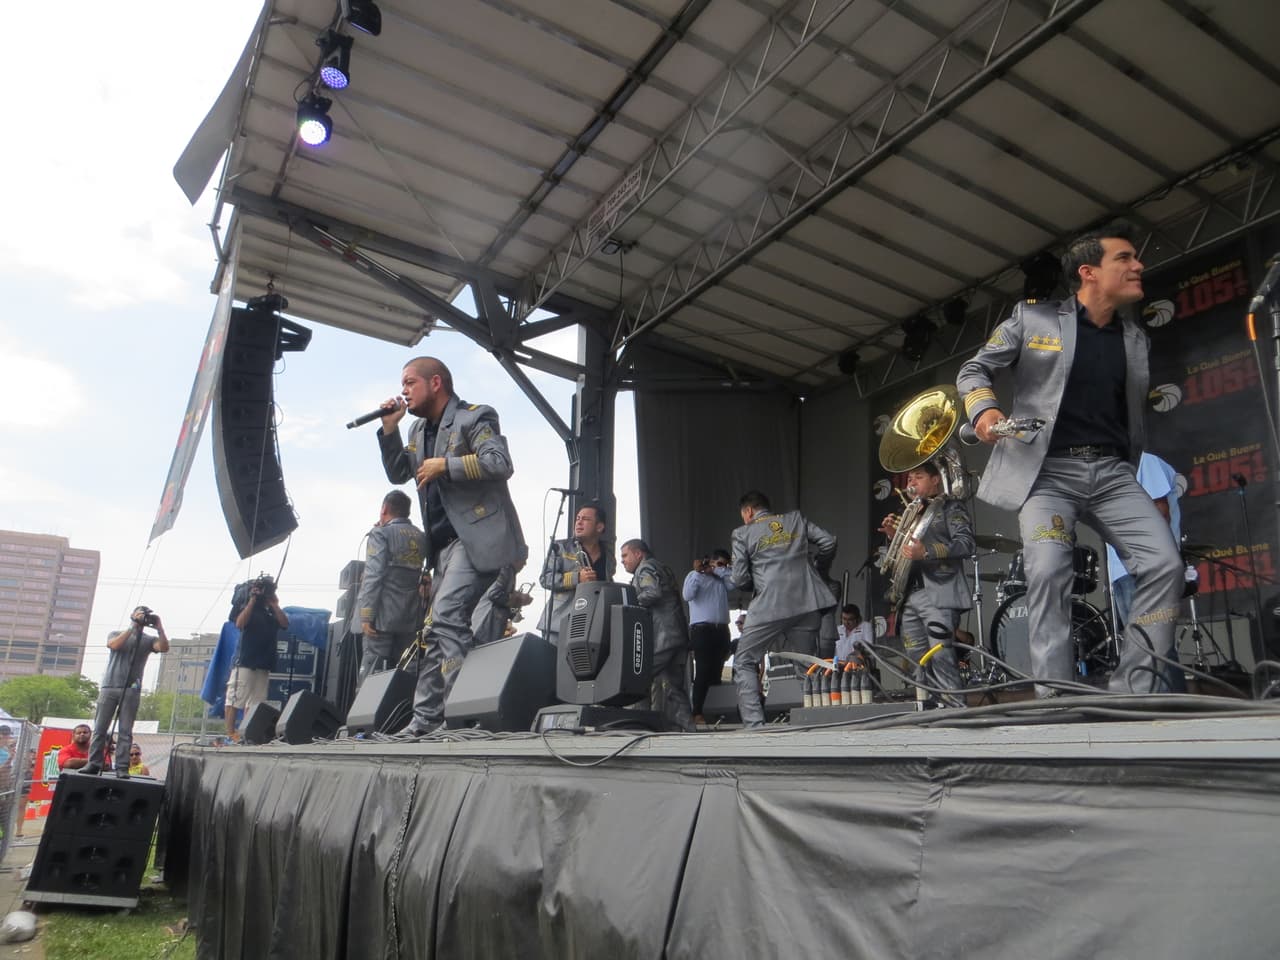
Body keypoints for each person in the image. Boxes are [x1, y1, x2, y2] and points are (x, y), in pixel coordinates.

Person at [956, 220, 1183, 695]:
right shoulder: (1033, 320)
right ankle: (1054, 700)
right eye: (1124, 258)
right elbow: (975, 369)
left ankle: (1134, 691)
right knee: (1048, 571)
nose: (1138, 265)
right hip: (1047, 476)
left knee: (1164, 563)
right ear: (1088, 272)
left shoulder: (1135, 339)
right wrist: (984, 408)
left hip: (1113, 474)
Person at [376, 356, 526, 736]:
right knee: (433, 633)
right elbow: (399, 472)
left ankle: (459, 716)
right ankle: (425, 720)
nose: (404, 390)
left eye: (410, 382)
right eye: (403, 383)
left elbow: (499, 462)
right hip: (442, 547)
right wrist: (389, 430)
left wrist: (447, 465)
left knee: (445, 618)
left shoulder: (474, 417)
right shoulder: (415, 431)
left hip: (476, 539)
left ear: (436, 382)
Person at [729, 490, 838, 728]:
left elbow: (738, 578)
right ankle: (815, 722)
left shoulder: (743, 533)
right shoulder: (796, 520)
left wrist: (753, 584)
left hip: (768, 605)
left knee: (745, 661)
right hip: (806, 603)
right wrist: (818, 570)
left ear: (748, 512)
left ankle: (755, 726)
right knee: (807, 665)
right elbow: (828, 541)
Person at [878, 463, 974, 705]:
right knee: (915, 658)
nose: (911, 482)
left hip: (938, 594)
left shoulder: (951, 507)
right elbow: (904, 555)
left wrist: (928, 552)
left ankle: (956, 710)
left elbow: (966, 543)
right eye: (909, 477)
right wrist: (893, 536)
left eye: (918, 477)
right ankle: (929, 708)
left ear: (935, 481)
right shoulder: (910, 512)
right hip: (909, 595)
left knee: (941, 655)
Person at [1106, 452, 1185, 691]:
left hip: (1147, 568)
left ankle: (1169, 707)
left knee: (1153, 642)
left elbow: (1159, 511)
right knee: (1141, 644)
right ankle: (1170, 707)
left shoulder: (1144, 461)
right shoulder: (1110, 469)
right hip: (1122, 571)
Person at [84, 607, 169, 776]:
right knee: (100, 728)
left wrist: (159, 627)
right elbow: (114, 645)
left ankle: (122, 767)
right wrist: (132, 626)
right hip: (109, 686)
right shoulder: (116, 634)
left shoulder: (148, 640)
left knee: (125, 731)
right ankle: (94, 763)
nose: (143, 618)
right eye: (140, 614)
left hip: (131, 689)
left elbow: (164, 647)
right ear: (132, 615)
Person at [620, 539, 695, 732]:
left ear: (639, 554)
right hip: (676, 635)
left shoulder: (645, 568)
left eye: (625, 555)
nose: (622, 561)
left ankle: (637, 727)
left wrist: (627, 604)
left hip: (664, 637)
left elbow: (653, 593)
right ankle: (689, 731)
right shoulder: (662, 567)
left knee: (638, 677)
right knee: (674, 688)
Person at [356, 490, 428, 686]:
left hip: (381, 617)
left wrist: (366, 615)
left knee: (371, 674)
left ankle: (365, 715)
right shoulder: (422, 537)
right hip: (411, 618)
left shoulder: (380, 534)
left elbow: (373, 575)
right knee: (407, 673)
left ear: (385, 509)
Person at [539, 503, 614, 642]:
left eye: (585, 519)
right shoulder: (560, 547)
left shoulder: (608, 555)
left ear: (599, 527)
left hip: (592, 624)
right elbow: (545, 578)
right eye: (578, 518)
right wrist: (577, 578)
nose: (579, 522)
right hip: (559, 624)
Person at [225, 578, 290, 740]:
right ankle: (231, 732)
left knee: (256, 702)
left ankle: (247, 732)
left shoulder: (270, 612)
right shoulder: (249, 608)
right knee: (235, 697)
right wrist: (253, 600)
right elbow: (240, 623)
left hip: (264, 663)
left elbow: (284, 623)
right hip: (245, 662)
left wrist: (275, 604)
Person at [682, 549, 733, 725]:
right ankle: (697, 712)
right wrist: (699, 573)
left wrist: (718, 570)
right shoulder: (694, 576)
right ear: (709, 561)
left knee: (716, 673)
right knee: (703, 671)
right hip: (702, 630)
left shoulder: (723, 579)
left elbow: (734, 583)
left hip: (721, 630)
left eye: (725, 564)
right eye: (719, 563)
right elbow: (687, 595)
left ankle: (714, 710)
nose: (723, 567)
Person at [472, 557, 533, 646]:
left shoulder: (510, 573)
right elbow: (494, 593)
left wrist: (519, 601)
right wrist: (517, 597)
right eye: (523, 559)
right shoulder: (505, 570)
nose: (525, 564)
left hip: (491, 631)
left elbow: (512, 615)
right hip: (485, 628)